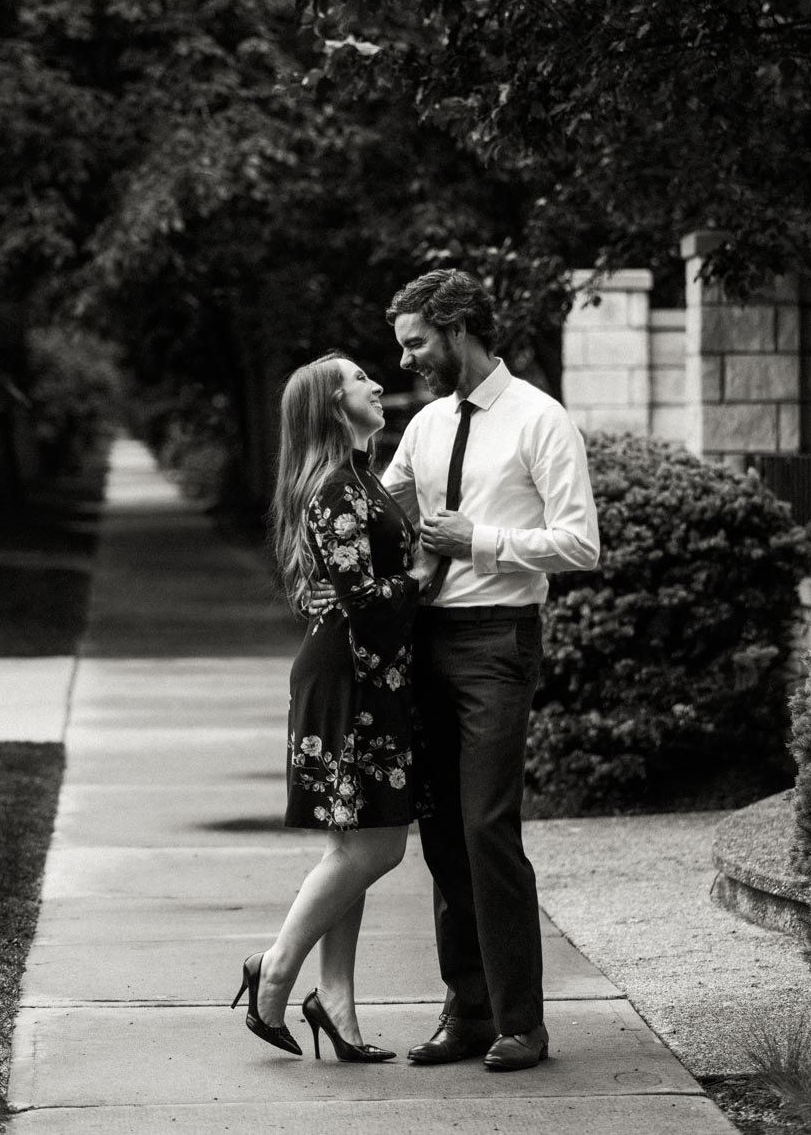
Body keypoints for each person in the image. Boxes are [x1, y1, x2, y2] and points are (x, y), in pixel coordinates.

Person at [310, 268, 599, 1071]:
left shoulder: (541, 420)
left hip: (497, 641)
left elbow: (581, 543)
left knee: (485, 828)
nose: (404, 360)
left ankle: (522, 1024)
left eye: (415, 343)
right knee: (439, 834)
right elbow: (382, 509)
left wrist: (484, 541)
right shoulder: (429, 426)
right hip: (422, 644)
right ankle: (466, 1012)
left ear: (458, 328)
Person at [231, 351, 425, 1062]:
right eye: (360, 379)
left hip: (364, 678)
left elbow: (355, 591)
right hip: (351, 680)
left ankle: (335, 1002)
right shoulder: (337, 490)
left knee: (354, 843)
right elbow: (369, 607)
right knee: (380, 844)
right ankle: (276, 968)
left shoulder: (362, 479)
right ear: (332, 406)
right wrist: (423, 576)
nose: (377, 384)